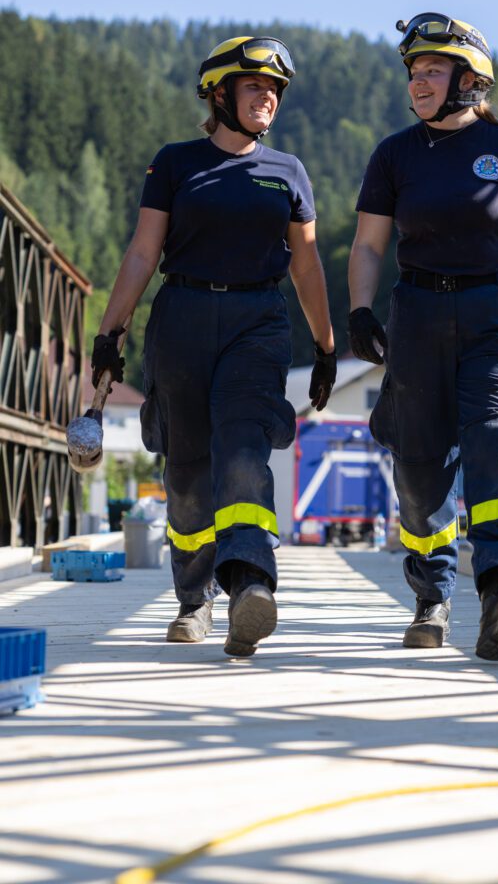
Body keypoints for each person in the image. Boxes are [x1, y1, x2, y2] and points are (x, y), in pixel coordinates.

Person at [91, 35, 337, 656]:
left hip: (258, 318)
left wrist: (328, 345)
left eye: (275, 90)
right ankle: (193, 600)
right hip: (182, 317)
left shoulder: (288, 172)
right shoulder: (175, 164)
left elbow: (306, 267)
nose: (268, 99)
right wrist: (108, 332)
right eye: (256, 86)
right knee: (187, 470)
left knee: (243, 447)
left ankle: (251, 583)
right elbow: (145, 251)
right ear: (220, 93)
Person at [348, 13, 498, 661]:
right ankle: (431, 593)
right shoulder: (394, 154)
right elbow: (366, 243)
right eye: (413, 72)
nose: (417, 82)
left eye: (432, 71)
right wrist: (360, 309)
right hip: (417, 316)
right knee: (417, 468)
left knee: (495, 441)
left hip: (497, 316)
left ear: (469, 80)